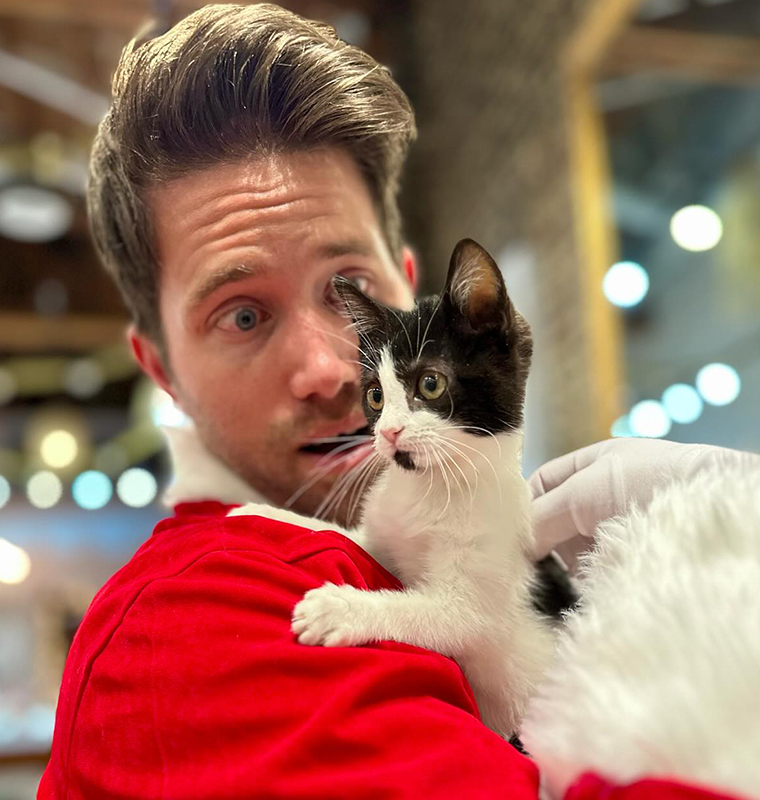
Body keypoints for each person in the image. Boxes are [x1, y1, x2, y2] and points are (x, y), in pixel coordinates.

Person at [38, 5, 759, 798]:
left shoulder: (409, 513)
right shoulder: (190, 620)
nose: (331, 368)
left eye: (350, 295)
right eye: (242, 315)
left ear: (405, 296)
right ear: (162, 370)